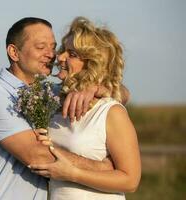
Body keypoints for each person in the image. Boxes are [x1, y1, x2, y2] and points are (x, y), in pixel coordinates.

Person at [0, 17, 115, 200]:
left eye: (53, 47)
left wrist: (95, 88)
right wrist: (103, 167)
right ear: (14, 52)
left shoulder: (47, 93)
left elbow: (121, 94)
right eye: (41, 47)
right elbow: (40, 158)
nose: (51, 54)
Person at [29, 17, 141, 199]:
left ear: (92, 64)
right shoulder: (52, 98)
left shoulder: (111, 112)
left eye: (72, 54)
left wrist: (72, 174)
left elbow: (130, 181)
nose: (60, 57)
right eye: (63, 50)